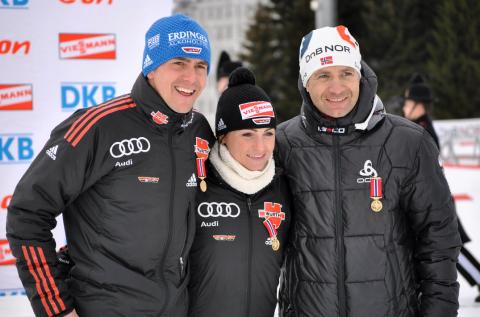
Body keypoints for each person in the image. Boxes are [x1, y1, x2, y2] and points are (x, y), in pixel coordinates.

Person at [6, 13, 214, 317]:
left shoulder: (199, 132)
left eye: (200, 67)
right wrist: (56, 309)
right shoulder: (98, 126)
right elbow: (26, 213)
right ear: (152, 68)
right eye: (178, 63)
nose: (191, 78)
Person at [276, 26, 461, 316]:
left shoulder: (407, 142)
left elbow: (438, 238)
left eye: (346, 74)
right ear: (305, 81)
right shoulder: (282, 143)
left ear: (360, 76)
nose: (336, 88)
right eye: (323, 75)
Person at [188, 67, 291, 317]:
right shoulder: (196, 185)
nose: (260, 147)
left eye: (268, 134)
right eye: (247, 134)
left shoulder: (283, 187)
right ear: (222, 136)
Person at [403, 73, 480, 303]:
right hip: (428, 198)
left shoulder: (422, 129)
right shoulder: (417, 126)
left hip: (433, 199)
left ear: (419, 105)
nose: (405, 106)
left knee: (452, 247)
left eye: (407, 102)